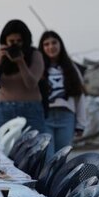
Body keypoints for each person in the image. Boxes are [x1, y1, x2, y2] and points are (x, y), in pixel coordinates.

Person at [0, 19, 45, 135]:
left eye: (19, 41)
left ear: (25, 41)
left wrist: (21, 62)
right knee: (1, 148)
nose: (15, 45)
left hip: (31, 109)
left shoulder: (35, 55)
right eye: (11, 41)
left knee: (34, 148)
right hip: (5, 109)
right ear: (4, 41)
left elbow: (31, 84)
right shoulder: (0, 58)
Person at [38, 30, 87, 158]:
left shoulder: (71, 68)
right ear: (42, 48)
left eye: (54, 42)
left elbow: (79, 96)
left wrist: (81, 124)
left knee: (61, 158)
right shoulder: (38, 68)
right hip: (45, 117)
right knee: (47, 158)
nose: (51, 47)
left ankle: (59, 179)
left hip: (66, 117)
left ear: (60, 45)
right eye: (46, 44)